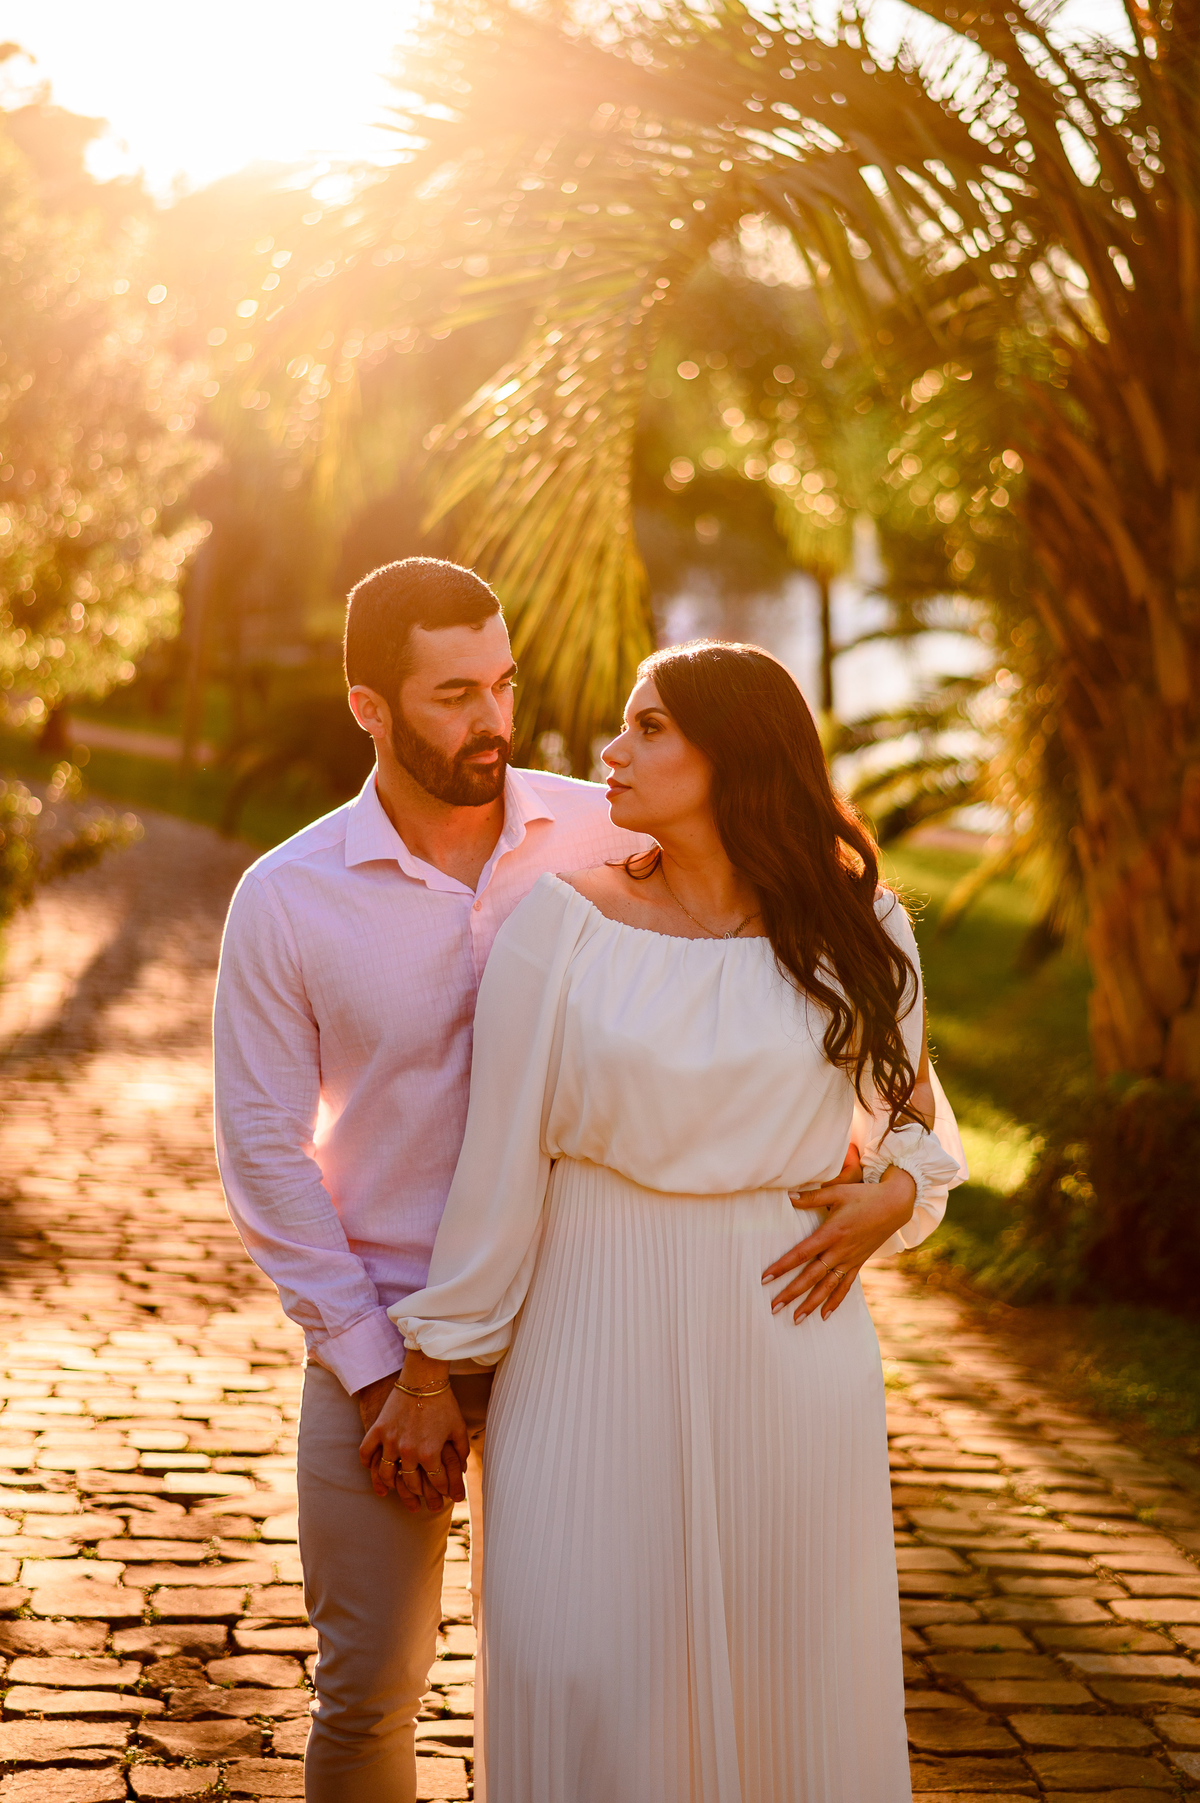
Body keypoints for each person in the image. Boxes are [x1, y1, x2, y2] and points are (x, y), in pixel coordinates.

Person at [367, 639, 966, 1803]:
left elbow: (914, 1119)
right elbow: (500, 1170)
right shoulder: (562, 926)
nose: (611, 751)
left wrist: (895, 1198)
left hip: (787, 1338)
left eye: (649, 728)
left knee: (786, 1667)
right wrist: (433, 1370)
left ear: (732, 752)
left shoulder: (863, 929)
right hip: (590, 1335)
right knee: (585, 1665)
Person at [211, 557, 650, 1803]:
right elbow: (261, 1145)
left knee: (587, 1686)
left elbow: (793, 930)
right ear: (369, 706)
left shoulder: (610, 833)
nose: (493, 722)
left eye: (503, 684)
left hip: (583, 1327)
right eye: (455, 694)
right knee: (366, 1698)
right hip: (381, 1344)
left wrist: (886, 1153)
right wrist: (371, 1371)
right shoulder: (287, 900)